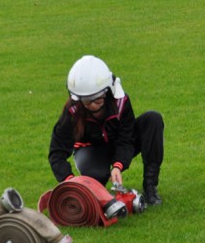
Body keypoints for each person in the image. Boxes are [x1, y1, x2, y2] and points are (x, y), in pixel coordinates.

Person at [49, 56, 164, 206]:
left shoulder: (121, 101)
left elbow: (126, 138)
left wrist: (118, 165)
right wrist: (70, 181)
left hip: (119, 143)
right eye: (85, 101)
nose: (91, 106)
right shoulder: (72, 110)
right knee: (96, 177)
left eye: (96, 100)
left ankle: (150, 187)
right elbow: (56, 152)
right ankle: (96, 185)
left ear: (108, 92)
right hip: (91, 150)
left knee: (153, 119)